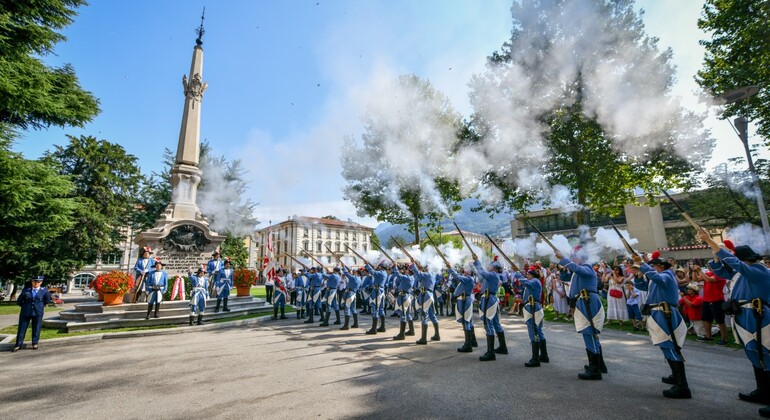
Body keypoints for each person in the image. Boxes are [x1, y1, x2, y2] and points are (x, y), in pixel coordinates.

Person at [698, 230, 770, 417]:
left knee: (766, 354)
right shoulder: (744, 272)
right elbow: (721, 270)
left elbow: (732, 264)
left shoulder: (758, 270)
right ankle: (763, 391)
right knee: (754, 353)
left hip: (758, 314)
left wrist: (710, 241)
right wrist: (715, 253)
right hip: (745, 315)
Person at [632, 251, 691, 399]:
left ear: (659, 266)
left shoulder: (667, 275)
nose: (651, 268)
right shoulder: (657, 277)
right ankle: (675, 377)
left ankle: (682, 385)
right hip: (658, 312)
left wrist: (643, 265)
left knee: (668, 345)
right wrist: (639, 275)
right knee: (665, 345)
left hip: (664, 313)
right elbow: (643, 286)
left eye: (653, 266)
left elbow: (658, 278)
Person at [556, 247, 606, 380]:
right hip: (583, 302)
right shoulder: (578, 271)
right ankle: (599, 365)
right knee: (589, 332)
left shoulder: (587, 267)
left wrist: (563, 259)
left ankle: (595, 370)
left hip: (587, 301)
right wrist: (563, 267)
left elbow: (577, 269)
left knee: (589, 332)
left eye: (575, 256)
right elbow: (565, 276)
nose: (573, 258)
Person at [474, 254, 508, 362]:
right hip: (490, 299)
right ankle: (502, 347)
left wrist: (476, 260)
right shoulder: (492, 275)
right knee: (496, 323)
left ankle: (490, 352)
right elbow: (480, 277)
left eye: (490, 265)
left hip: (489, 300)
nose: (488, 266)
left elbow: (482, 272)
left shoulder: (492, 274)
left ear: (494, 268)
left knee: (487, 323)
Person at [519, 266, 549, 367]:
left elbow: (525, 282)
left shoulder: (535, 281)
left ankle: (535, 359)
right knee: (538, 331)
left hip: (532, 308)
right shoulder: (534, 281)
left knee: (533, 331)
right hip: (533, 307)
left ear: (532, 275)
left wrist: (519, 274)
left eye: (528, 274)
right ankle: (543, 356)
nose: (527, 276)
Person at [12, 276, 52, 352]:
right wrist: (26, 307)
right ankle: (18, 344)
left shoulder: (44, 291)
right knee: (21, 329)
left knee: (36, 328)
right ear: (32, 282)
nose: (36, 283)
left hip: (38, 312)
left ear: (41, 282)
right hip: (25, 312)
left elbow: (47, 301)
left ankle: (35, 343)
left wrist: (39, 307)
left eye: (38, 282)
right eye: (34, 282)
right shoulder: (26, 290)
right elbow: (19, 301)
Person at [448, 263, 477, 353]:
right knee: (468, 321)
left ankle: (467, 345)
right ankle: (473, 341)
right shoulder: (467, 278)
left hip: (464, 300)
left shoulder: (468, 278)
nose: (464, 269)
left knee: (466, 322)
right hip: (463, 299)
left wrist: (450, 268)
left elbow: (457, 277)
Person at [411, 262, 440, 344]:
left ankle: (423, 339)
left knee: (424, 315)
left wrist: (413, 265)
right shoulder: (432, 274)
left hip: (425, 296)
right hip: (429, 295)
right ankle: (437, 335)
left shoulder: (427, 274)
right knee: (432, 315)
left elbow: (418, 273)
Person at [365, 261, 389, 334]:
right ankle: (382, 327)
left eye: (379, 266)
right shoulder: (384, 273)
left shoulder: (381, 273)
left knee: (375, 309)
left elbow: (372, 272)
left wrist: (367, 264)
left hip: (377, 291)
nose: (378, 267)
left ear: (381, 267)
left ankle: (374, 329)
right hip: (381, 291)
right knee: (381, 309)